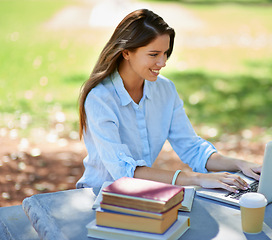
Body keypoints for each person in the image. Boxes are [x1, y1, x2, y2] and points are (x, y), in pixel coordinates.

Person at [76, 9, 261, 193]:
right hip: (99, 196)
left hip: (140, 194)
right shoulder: (99, 99)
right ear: (126, 53)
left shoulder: (165, 90)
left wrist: (240, 164)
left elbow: (192, 147)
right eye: (154, 54)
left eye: (165, 53)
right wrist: (198, 179)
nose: (163, 62)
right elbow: (124, 171)